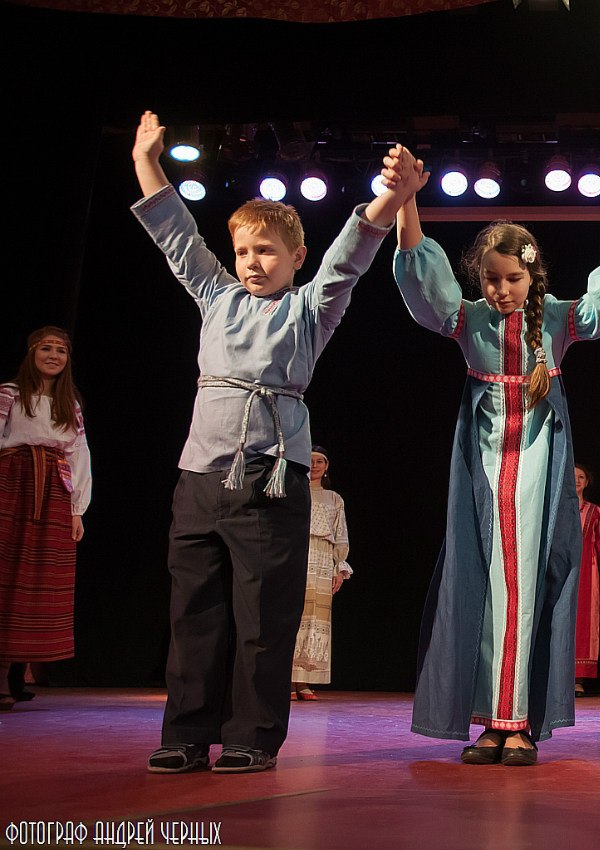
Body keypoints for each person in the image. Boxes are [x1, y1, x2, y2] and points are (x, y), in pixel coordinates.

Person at [132, 110, 418, 774]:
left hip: (269, 476)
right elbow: (176, 236)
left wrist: (392, 194)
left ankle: (253, 737)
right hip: (201, 475)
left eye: (265, 251)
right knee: (195, 612)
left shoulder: (309, 309)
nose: (251, 263)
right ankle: (186, 733)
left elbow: (352, 253)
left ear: (295, 257)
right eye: (243, 252)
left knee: (263, 616)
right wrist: (147, 161)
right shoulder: (216, 296)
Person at [394, 179, 600, 766]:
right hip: (483, 470)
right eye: (491, 279)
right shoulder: (469, 319)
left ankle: (519, 721)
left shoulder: (556, 319)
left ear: (533, 276)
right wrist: (407, 201)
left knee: (527, 582)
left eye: (513, 278)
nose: (501, 290)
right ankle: (492, 720)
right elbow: (422, 282)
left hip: (537, 466)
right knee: (484, 583)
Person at [0, 327, 92, 710]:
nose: (54, 355)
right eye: (46, 348)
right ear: (31, 352)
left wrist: (77, 509)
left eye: (61, 350)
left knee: (38, 578)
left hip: (53, 490)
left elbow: (78, 453)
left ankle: (16, 670)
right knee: (8, 574)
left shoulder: (68, 403)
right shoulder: (10, 393)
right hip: (12, 483)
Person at [291, 445, 352, 701]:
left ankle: (303, 681)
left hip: (323, 561)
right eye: (311, 460)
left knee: (316, 619)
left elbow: (340, 534)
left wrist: (340, 567)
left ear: (326, 467)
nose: (314, 465)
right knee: (293, 615)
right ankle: (286, 680)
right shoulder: (293, 492)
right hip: (297, 556)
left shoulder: (334, 498)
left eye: (320, 461)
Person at [573, 462, 600, 695]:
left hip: (587, 575)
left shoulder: (594, 511)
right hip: (559, 574)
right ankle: (558, 678)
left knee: (585, 622)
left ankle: (578, 678)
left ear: (587, 482)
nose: (576, 480)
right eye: (573, 476)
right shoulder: (555, 508)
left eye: (581, 477)